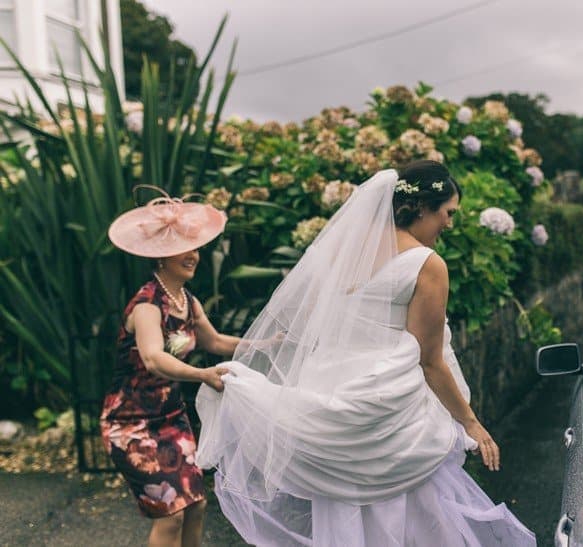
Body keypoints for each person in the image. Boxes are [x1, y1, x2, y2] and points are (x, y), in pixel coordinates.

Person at [195, 160, 536, 546]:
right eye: (448, 213)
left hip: (330, 386)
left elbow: (316, 319)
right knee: (416, 513)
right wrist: (471, 422)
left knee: (342, 507)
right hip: (390, 406)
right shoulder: (428, 264)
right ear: (423, 207)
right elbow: (430, 361)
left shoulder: (345, 251)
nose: (449, 224)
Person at [100, 188, 242, 547]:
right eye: (185, 249)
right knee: (171, 513)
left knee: (195, 505)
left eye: (195, 247)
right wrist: (201, 375)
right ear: (162, 257)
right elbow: (153, 357)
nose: (194, 255)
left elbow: (217, 342)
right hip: (131, 424)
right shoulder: (147, 304)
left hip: (169, 418)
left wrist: (271, 344)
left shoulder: (186, 301)